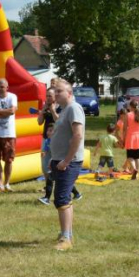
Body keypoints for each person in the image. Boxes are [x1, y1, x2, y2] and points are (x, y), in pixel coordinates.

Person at [49, 80, 85, 251]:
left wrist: (66, 161)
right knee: (63, 199)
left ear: (69, 93)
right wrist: (55, 158)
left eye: (59, 91)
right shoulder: (63, 110)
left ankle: (66, 239)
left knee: (62, 198)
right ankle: (66, 234)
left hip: (68, 162)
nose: (56, 94)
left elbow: (77, 135)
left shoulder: (73, 108)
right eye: (55, 91)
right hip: (60, 160)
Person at [121, 99, 139, 179]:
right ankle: (136, 174)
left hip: (131, 137)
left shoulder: (128, 115)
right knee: (137, 157)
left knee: (130, 156)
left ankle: (134, 170)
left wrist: (123, 139)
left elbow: (124, 129)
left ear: (130, 106)